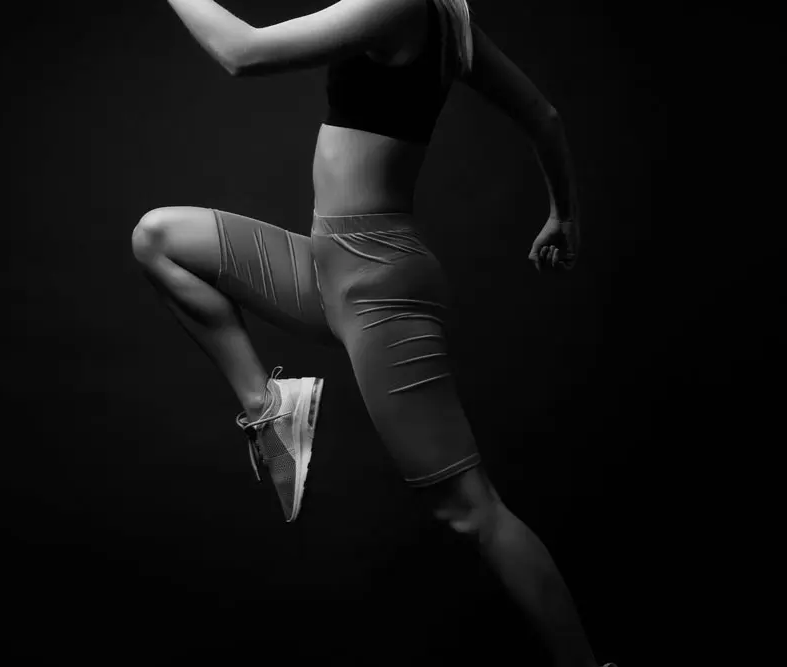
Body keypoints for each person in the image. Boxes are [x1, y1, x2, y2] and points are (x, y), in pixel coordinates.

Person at [132, 2, 612, 666]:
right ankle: (270, 412)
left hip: (380, 283)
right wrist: (565, 215)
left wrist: (567, 213)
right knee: (158, 237)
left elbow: (242, 51)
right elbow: (545, 117)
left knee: (472, 511)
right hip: (327, 261)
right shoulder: (449, 17)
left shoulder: (401, 4)